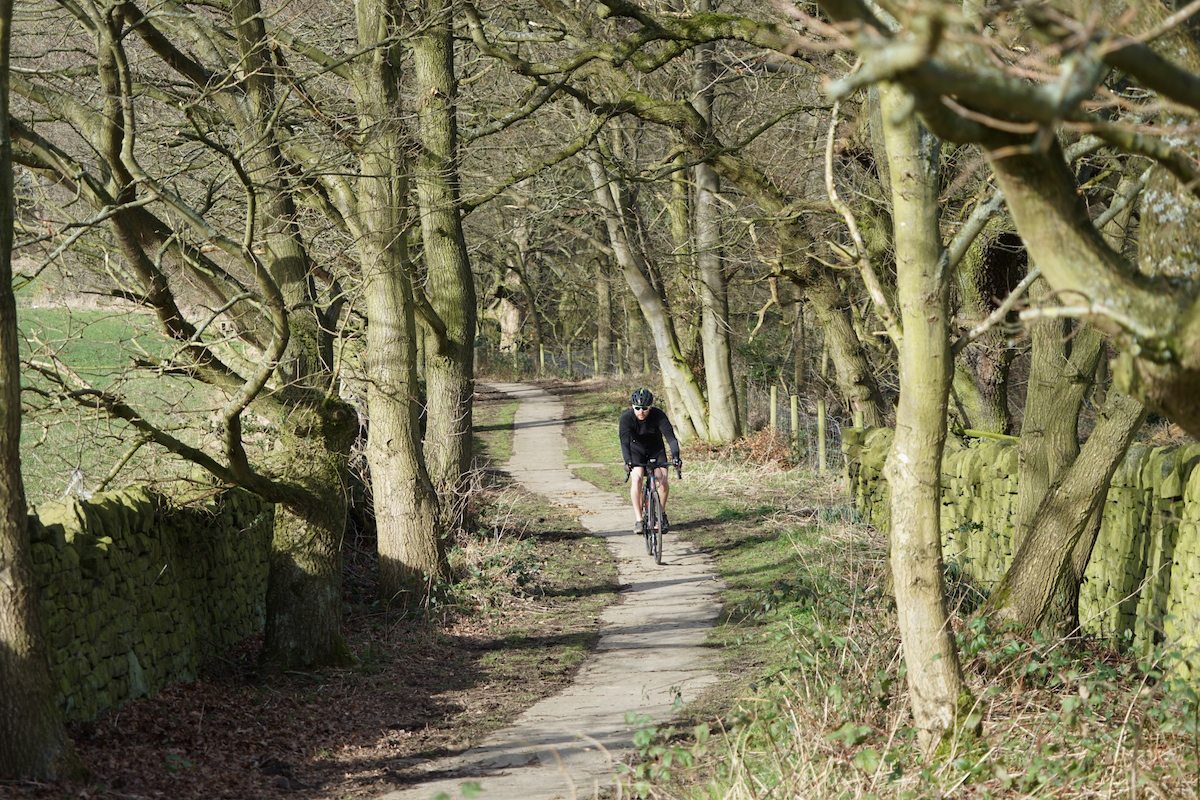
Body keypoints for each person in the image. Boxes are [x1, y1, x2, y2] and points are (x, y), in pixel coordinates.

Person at [619, 387, 682, 536]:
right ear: (632, 407)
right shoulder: (626, 418)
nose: (641, 412)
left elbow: (671, 438)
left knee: (662, 480)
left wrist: (676, 456)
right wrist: (627, 461)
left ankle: (661, 514)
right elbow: (624, 443)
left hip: (656, 449)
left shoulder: (658, 416)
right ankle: (639, 520)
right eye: (638, 408)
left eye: (645, 408)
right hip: (636, 451)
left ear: (651, 407)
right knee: (637, 477)